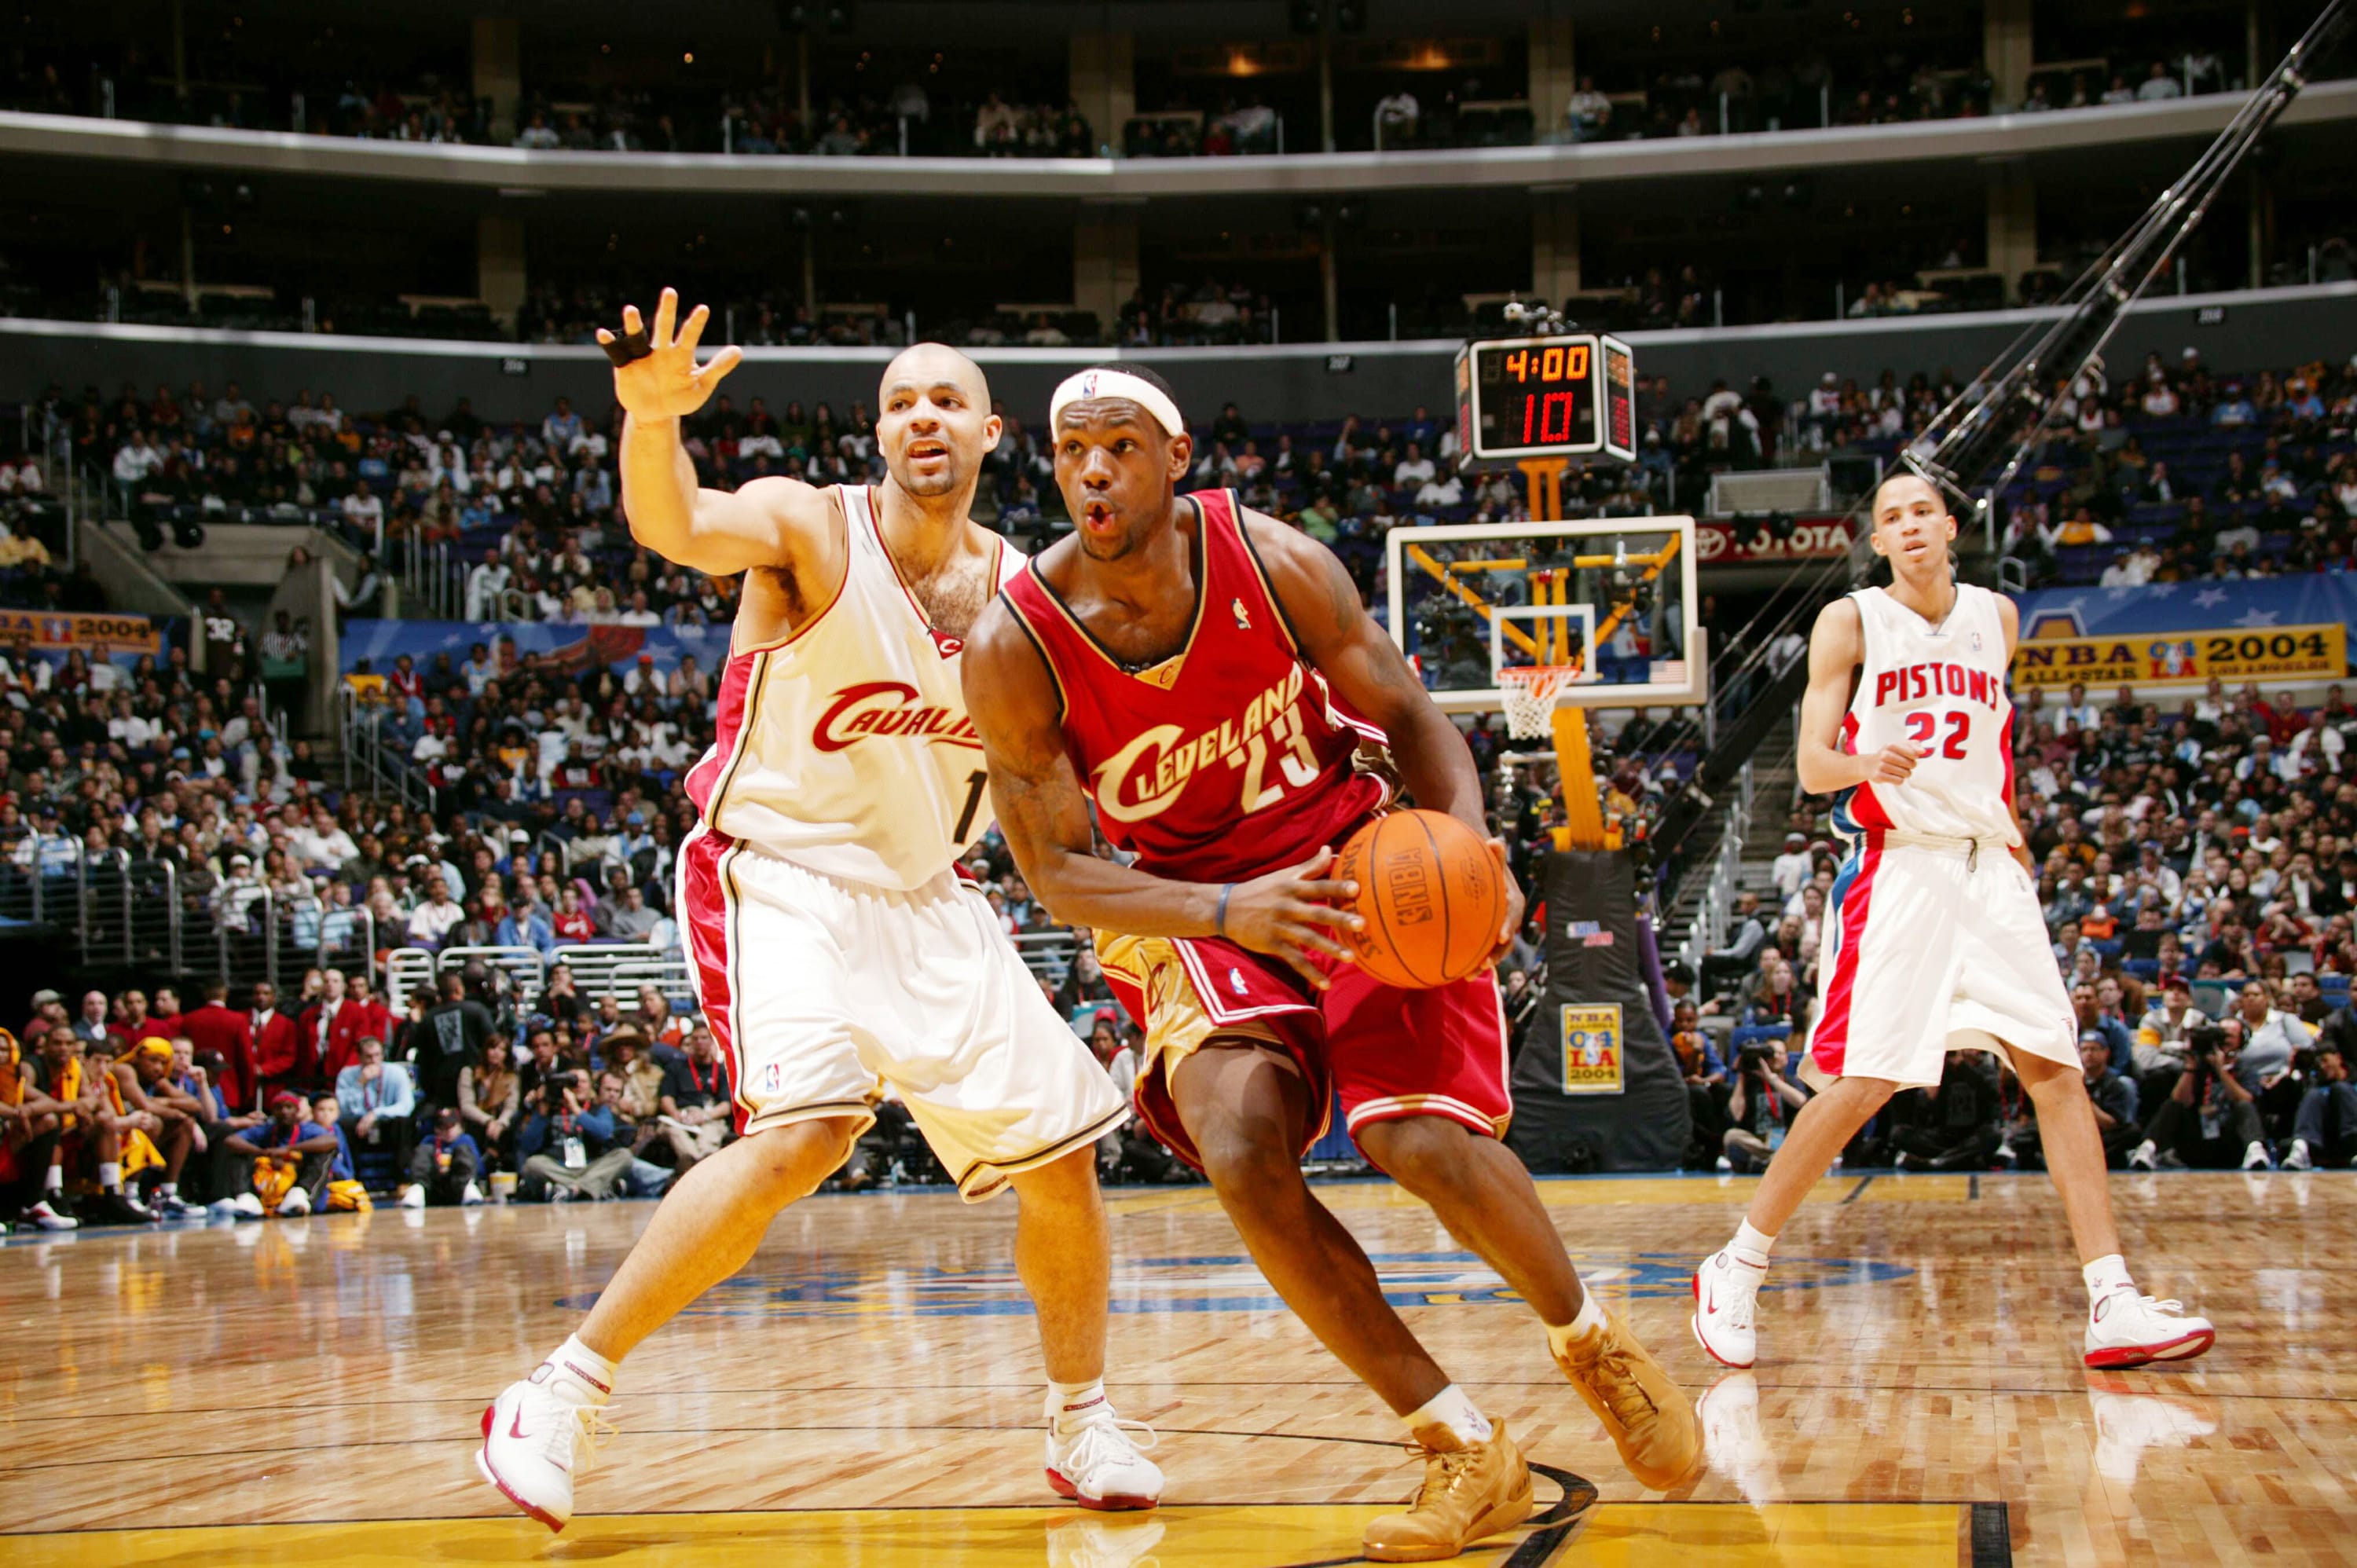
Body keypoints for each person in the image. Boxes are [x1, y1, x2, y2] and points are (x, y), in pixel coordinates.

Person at [963, 362, 1698, 1563]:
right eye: (1072, 452)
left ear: (1174, 456)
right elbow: (1053, 869)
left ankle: (1588, 1340)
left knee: (1416, 1140)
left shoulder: (1273, 562)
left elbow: (1413, 719)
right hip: (1193, 904)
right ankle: (1461, 1445)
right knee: (1242, 1146)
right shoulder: (1016, 642)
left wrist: (1467, 843)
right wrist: (1225, 907)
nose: (1093, 471)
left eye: (1120, 447)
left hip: (1356, 861)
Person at [478, 293, 1157, 1533]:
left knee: (1061, 1153)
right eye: (900, 401)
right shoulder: (811, 526)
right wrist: (648, 416)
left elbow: (1039, 780)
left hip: (927, 892)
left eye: (946, 398)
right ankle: (559, 1391)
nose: (922, 417)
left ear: (992, 432)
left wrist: (1123, 901)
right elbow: (675, 520)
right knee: (807, 1131)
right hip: (778, 867)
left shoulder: (1024, 596)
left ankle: (1082, 1419)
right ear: (878, 433)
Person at [1690, 471, 2212, 1374]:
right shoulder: (1851, 621)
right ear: (1879, 542)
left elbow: (1994, 755)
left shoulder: (1996, 619)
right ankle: (1736, 1264)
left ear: (1951, 526)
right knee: (1862, 1085)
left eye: (1921, 509)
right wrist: (1864, 759)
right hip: (1905, 873)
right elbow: (1813, 766)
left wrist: (2012, 852)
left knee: (2056, 1072)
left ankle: (2112, 1300)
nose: (1908, 524)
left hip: (1990, 869)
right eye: (1889, 515)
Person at [409, 1105, 486, 1207]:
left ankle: (468, 1189)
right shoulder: (429, 1141)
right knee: (424, 1150)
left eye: (452, 1126)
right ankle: (418, 1189)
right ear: (437, 1129)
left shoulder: (465, 1140)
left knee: (463, 1150)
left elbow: (479, 1168)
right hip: (434, 1186)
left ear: (460, 1126)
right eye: (443, 1127)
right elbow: (417, 1166)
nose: (448, 1131)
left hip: (459, 1185)